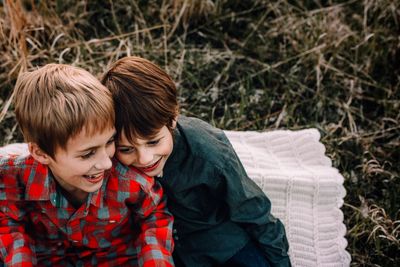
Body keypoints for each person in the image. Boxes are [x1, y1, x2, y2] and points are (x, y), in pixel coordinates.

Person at [101, 56, 291, 267]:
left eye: (153, 142)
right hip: (166, 245)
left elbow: (253, 210)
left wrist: (280, 261)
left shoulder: (209, 155)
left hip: (220, 241)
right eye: (126, 149)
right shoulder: (107, 159)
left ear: (172, 119)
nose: (144, 158)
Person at [0, 64, 174, 266]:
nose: (106, 162)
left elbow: (155, 218)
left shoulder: (131, 181)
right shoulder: (11, 176)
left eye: (110, 142)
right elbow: (8, 224)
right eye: (88, 154)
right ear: (41, 153)